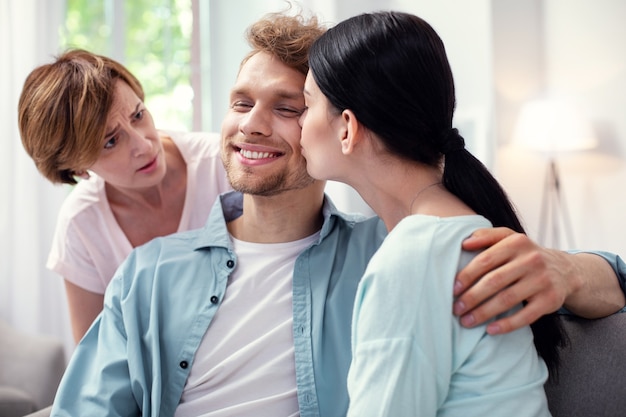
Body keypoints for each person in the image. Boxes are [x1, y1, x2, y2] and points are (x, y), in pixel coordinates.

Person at [48, 11, 625, 417]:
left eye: (289, 108)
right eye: (242, 102)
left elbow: (606, 279)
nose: (251, 124)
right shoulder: (146, 277)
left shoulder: (395, 250)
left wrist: (573, 269)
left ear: (343, 126)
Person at [298, 10, 622, 416]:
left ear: (346, 127)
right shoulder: (465, 230)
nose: (299, 126)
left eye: (306, 106)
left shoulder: (413, 259)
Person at [18, 49, 232, 342]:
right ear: (77, 167)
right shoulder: (81, 224)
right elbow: (95, 359)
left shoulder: (224, 166)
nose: (144, 145)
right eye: (111, 141)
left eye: (138, 115)